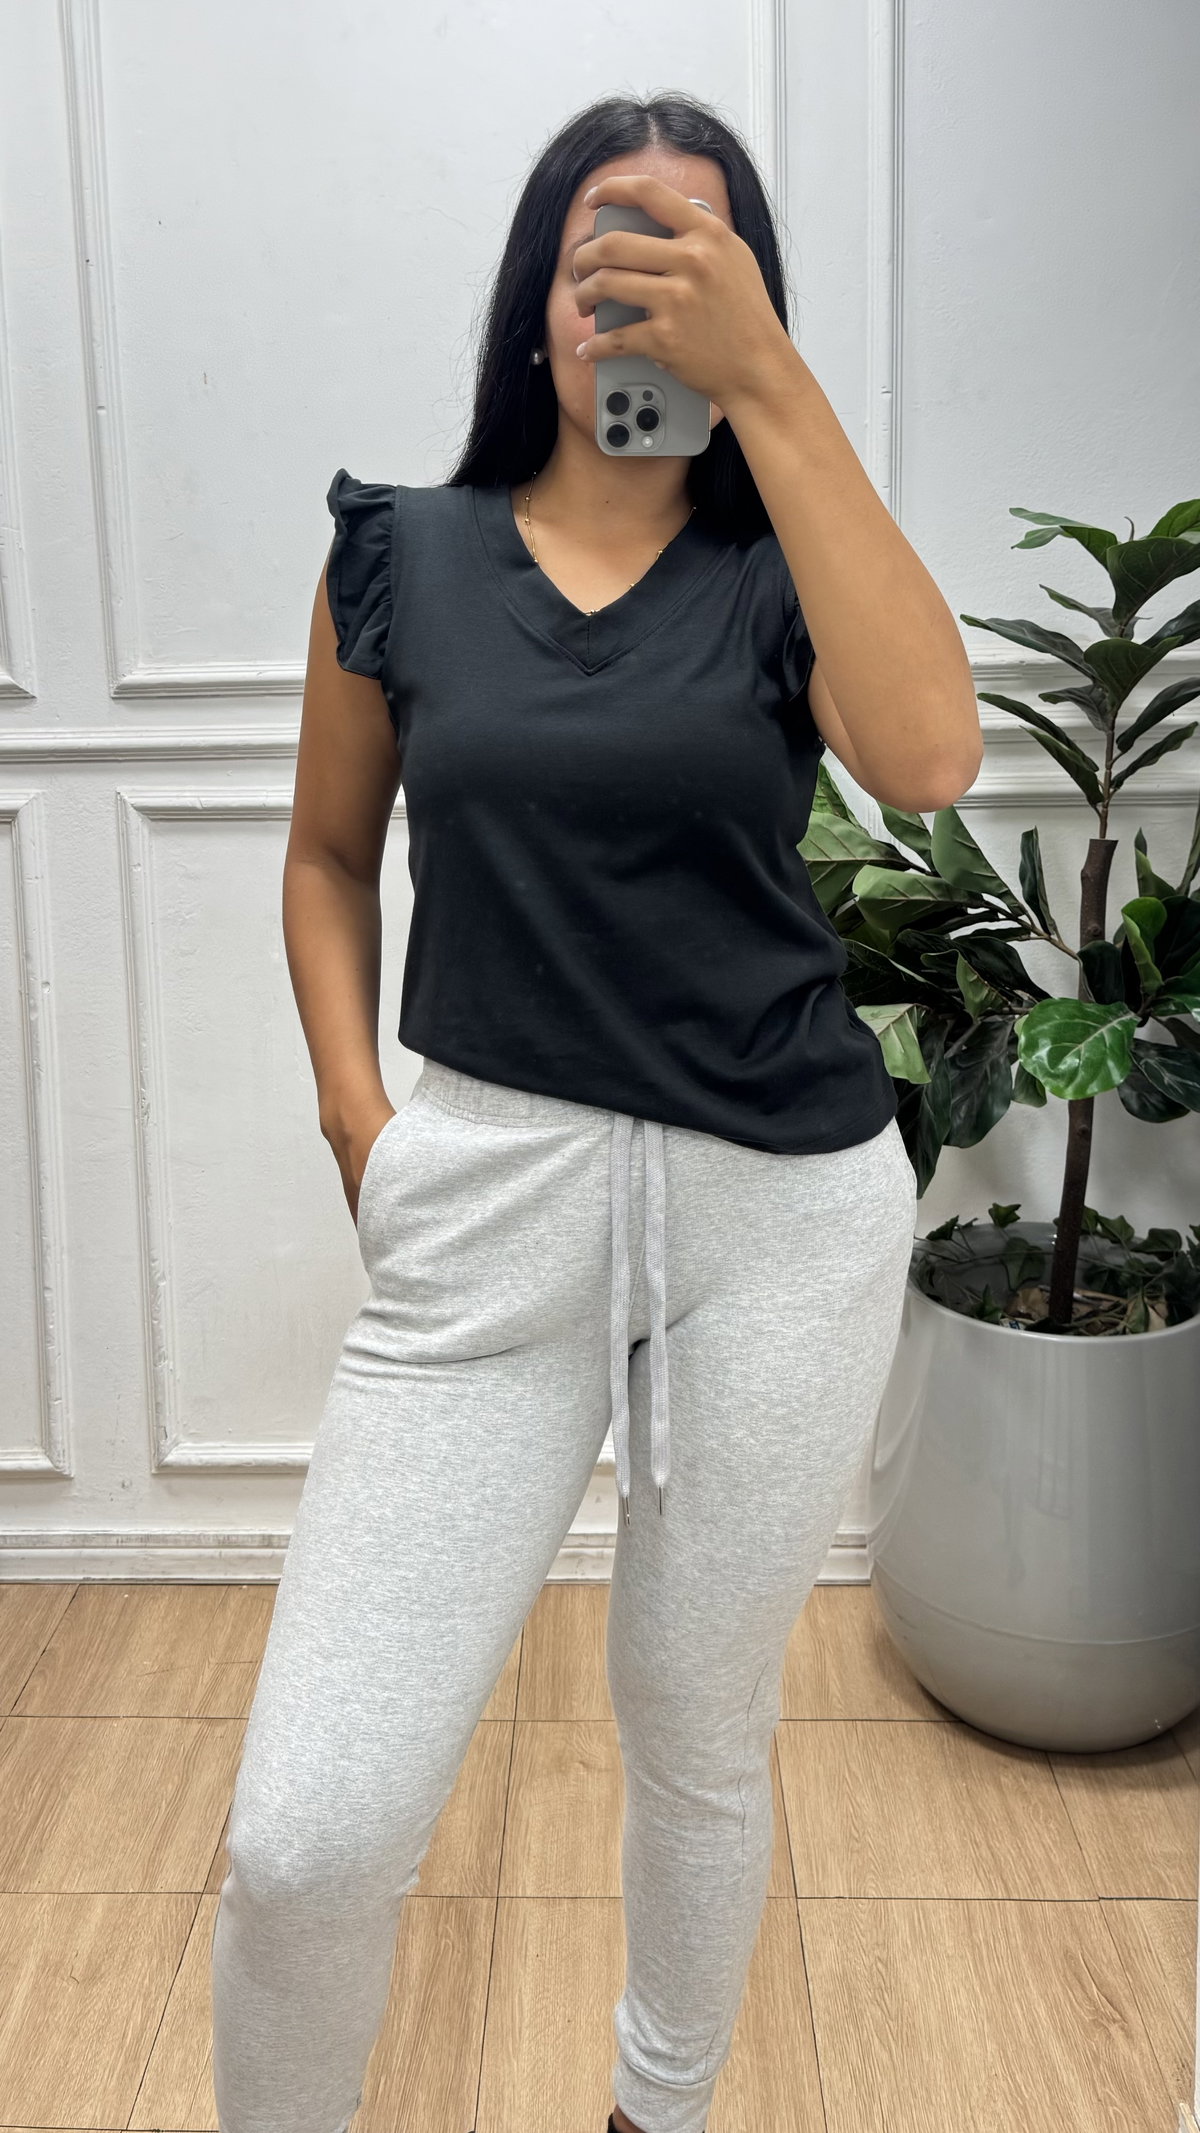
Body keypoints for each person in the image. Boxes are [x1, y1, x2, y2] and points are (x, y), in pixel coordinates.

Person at [209, 89, 981, 2133]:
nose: (640, 289)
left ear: (753, 299)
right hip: (486, 1202)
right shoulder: (402, 553)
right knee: (308, 1827)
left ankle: (661, 2105)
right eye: (603, 250)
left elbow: (926, 758)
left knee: (695, 1728)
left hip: (784, 1216)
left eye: (692, 252)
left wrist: (776, 398)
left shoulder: (788, 563)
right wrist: (360, 1121)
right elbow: (325, 855)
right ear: (532, 299)